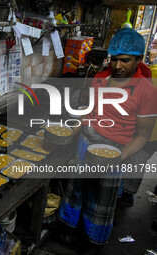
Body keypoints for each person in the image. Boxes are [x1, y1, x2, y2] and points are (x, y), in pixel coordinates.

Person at [57, 28, 157, 254]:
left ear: (139, 59)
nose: (118, 66)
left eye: (125, 60)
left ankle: (92, 240)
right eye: (114, 59)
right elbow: (89, 112)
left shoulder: (146, 92)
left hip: (115, 149)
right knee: (76, 189)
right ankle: (67, 228)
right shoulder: (101, 79)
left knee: (100, 198)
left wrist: (119, 157)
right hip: (86, 141)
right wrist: (70, 131)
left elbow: (142, 135)